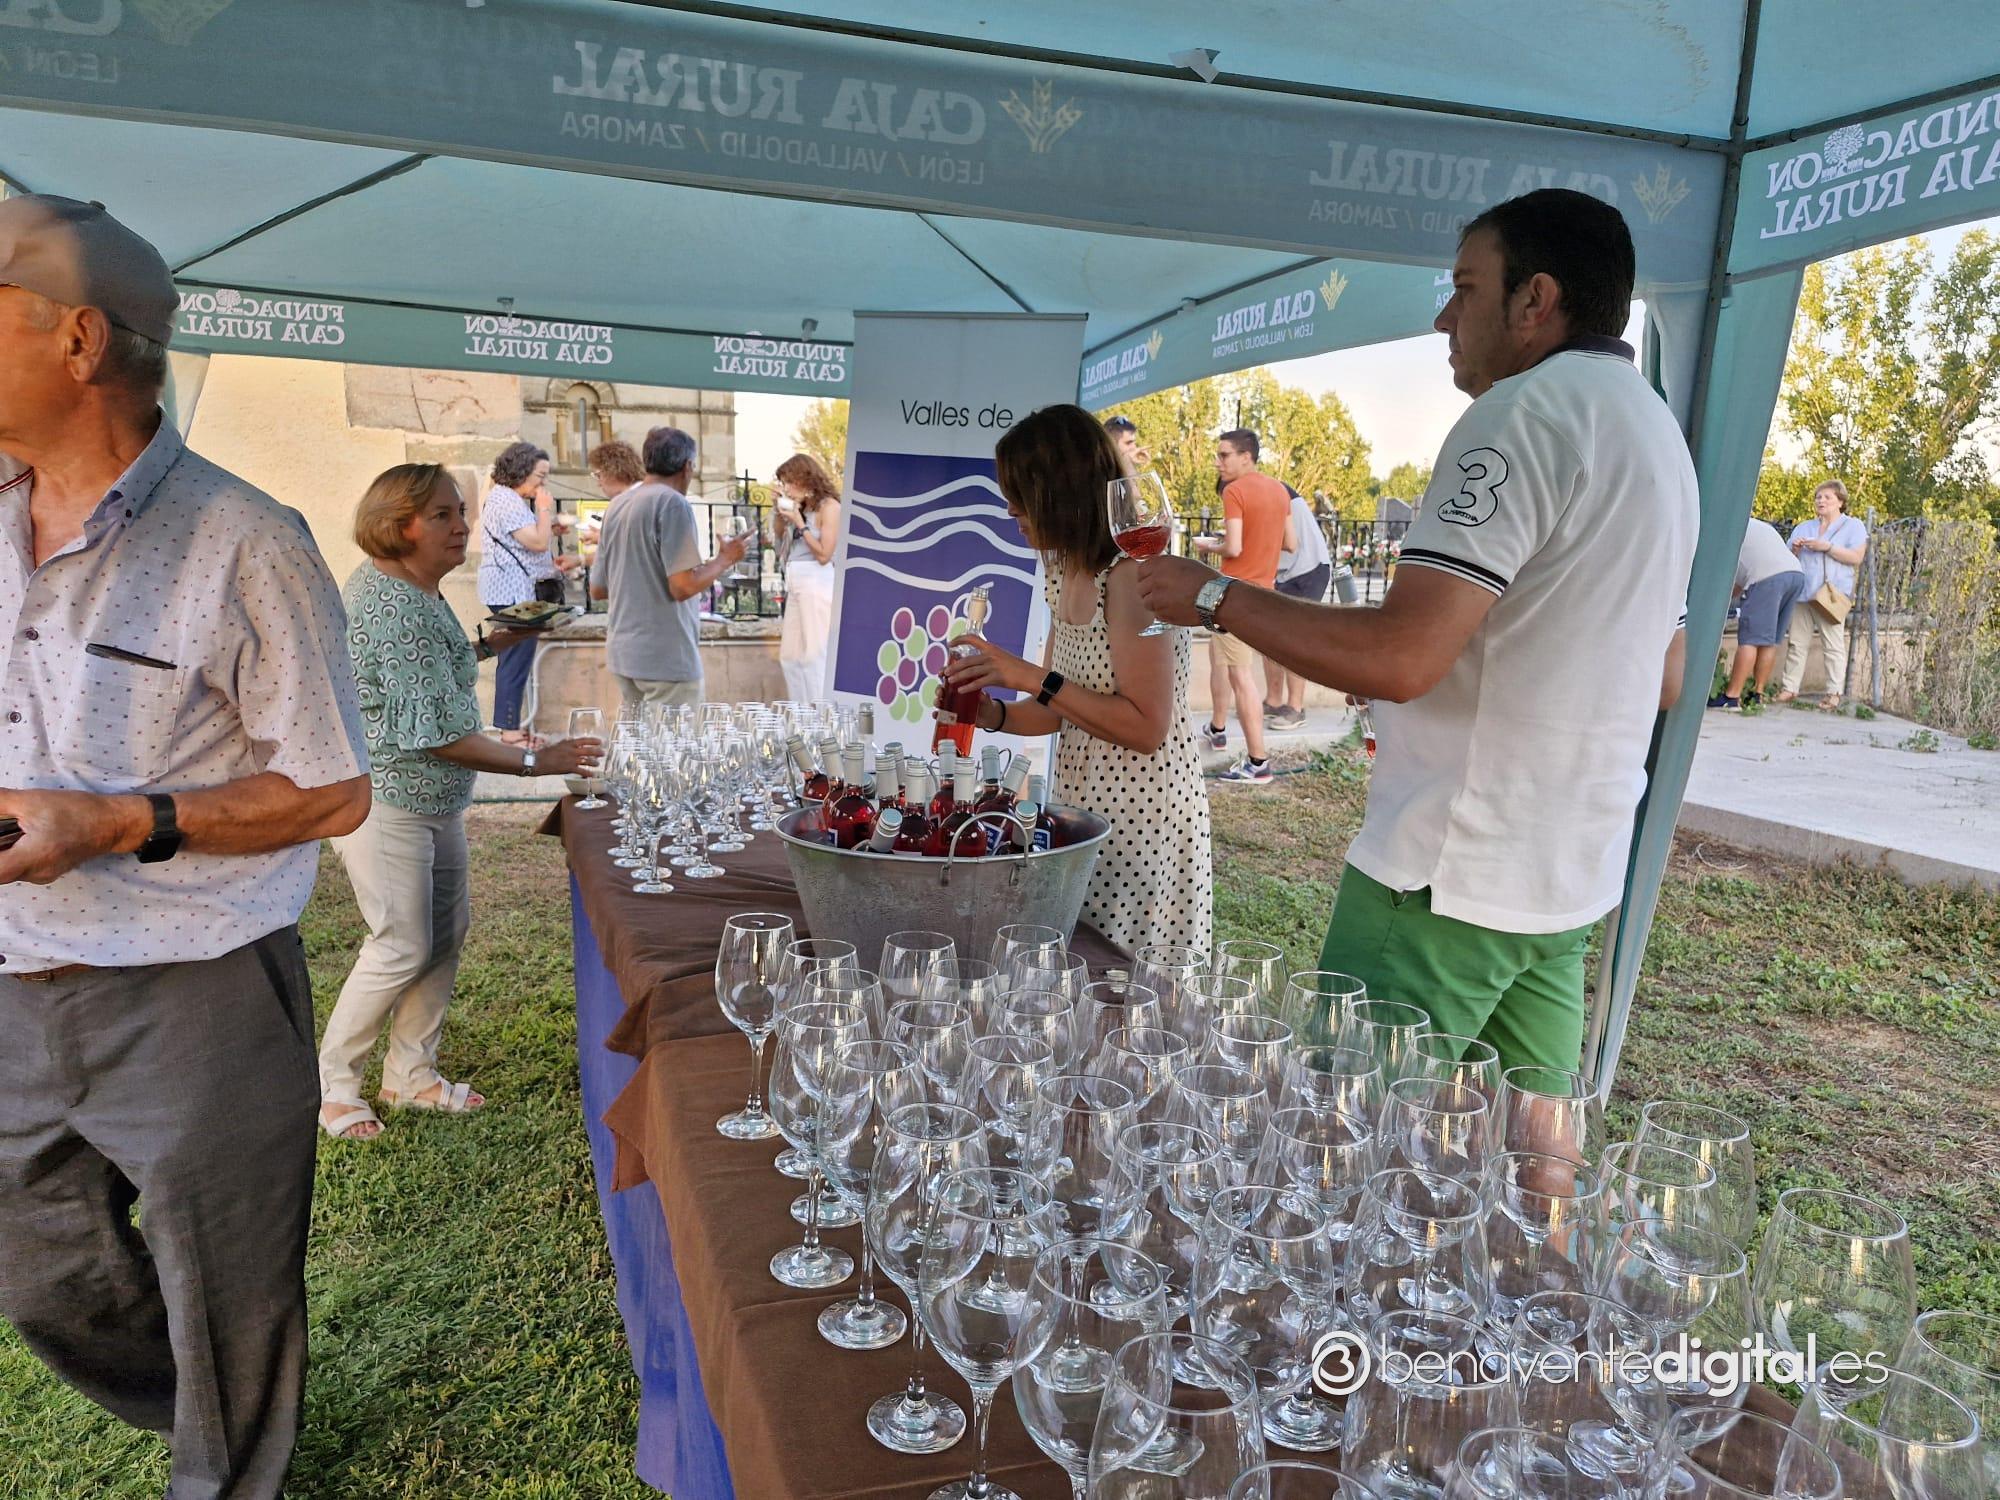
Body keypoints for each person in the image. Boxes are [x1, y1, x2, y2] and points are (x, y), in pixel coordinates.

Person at [1136, 188, 1697, 1076]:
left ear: (1535, 299)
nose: (1444, 318)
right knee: (1532, 1146)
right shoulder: (1660, 437)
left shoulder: (1522, 414)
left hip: (1448, 872)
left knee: (1346, 1131)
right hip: (1568, 876)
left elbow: (1401, 658)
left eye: (1465, 289)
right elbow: (1666, 677)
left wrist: (1212, 596)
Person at [0, 195, 373, 1499]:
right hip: (13, 977)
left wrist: (115, 822)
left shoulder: (246, 541)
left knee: (229, 1287)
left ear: (79, 339)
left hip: (196, 982)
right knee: (37, 1274)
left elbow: (332, 791)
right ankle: (200, 1410)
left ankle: (230, 1467)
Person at [320, 464, 600, 1142]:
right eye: (443, 515)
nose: (462, 526)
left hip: (430, 800)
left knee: (444, 933)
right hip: (389, 798)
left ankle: (411, 1075)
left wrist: (487, 643)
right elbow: (439, 734)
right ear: (399, 525)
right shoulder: (395, 607)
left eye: (460, 512)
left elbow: (422, 678)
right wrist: (538, 761)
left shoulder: (414, 589)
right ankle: (334, 1088)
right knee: (400, 944)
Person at [937, 404, 1212, 954]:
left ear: (1060, 492)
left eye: (1020, 495)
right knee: (1078, 962)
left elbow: (1146, 728)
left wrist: (1028, 675)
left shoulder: (1132, 576)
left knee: (1127, 978)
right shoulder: (1063, 568)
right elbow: (1058, 708)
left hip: (1146, 814)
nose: (1010, 508)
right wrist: (993, 713)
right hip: (1082, 805)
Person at [589, 425, 747, 709]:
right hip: (666, 658)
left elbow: (598, 588)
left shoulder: (617, 506)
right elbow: (683, 586)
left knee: (634, 737)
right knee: (675, 738)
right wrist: (725, 560)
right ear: (687, 466)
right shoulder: (672, 503)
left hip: (624, 654)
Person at [1193, 428, 1293, 783]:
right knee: (1219, 657)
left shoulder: (1234, 491)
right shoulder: (1280, 490)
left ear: (1246, 457)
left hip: (1233, 592)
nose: (1218, 462)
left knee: (1240, 675)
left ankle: (1258, 762)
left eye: (1224, 455)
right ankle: (1217, 727)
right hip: (1263, 591)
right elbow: (1291, 543)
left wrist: (1210, 546)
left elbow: (1233, 548)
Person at [476, 440, 570, 733]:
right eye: (540, 476)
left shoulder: (508, 499)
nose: (543, 483)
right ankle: (510, 731)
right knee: (515, 659)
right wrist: (544, 510)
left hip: (514, 590)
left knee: (516, 657)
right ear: (521, 470)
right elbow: (537, 543)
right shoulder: (505, 500)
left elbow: (527, 538)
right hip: (511, 591)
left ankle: (510, 728)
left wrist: (550, 527)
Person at [1776, 479, 1868, 710]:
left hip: (1830, 595)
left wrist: (1827, 547)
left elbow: (1856, 557)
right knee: (1796, 642)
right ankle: (1789, 688)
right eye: (1818, 497)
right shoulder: (1804, 527)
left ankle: (1834, 692)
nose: (1821, 501)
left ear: (1840, 501)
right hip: (1803, 592)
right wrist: (1795, 549)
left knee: (1832, 644)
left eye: (1827, 497)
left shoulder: (1852, 526)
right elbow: (1787, 558)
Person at [768, 451, 842, 702]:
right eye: (783, 483)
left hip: (817, 581)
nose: (787, 488)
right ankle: (799, 713)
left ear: (805, 479)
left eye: (789, 482)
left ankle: (820, 713)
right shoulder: (800, 508)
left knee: (814, 655)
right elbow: (780, 545)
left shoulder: (829, 507)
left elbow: (824, 554)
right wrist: (780, 514)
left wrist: (800, 523)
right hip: (795, 581)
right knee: (790, 656)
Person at [1709, 517, 1804, 710]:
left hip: (1767, 578)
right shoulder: (1757, 525)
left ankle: (1732, 697)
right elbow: (1740, 579)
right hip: (1795, 574)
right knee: (1770, 640)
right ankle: (1757, 695)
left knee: (1750, 640)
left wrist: (1717, 604)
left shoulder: (1725, 530)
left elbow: (1733, 582)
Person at [1264, 483, 1333, 727]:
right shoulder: (1264, 493)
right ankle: (1273, 701)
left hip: (1309, 569)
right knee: (1268, 637)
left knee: (1294, 639)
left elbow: (1287, 541)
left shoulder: (1273, 491)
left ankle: (1295, 708)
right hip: (1286, 573)